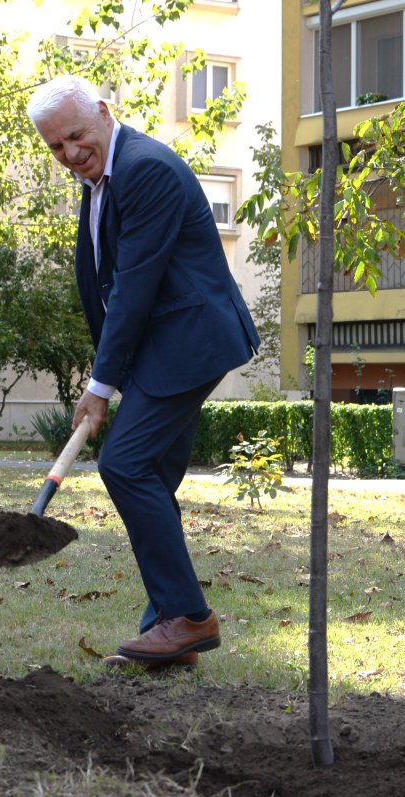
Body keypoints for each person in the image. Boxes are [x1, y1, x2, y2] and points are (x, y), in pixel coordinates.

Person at [27, 75, 259, 667]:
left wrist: (99, 387)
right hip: (165, 347)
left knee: (126, 466)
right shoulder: (102, 178)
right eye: (56, 147)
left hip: (189, 340)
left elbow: (134, 286)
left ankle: (188, 617)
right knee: (151, 475)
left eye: (77, 136)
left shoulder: (145, 168)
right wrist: (111, 372)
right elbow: (101, 286)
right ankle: (167, 631)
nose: (71, 153)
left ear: (104, 113)